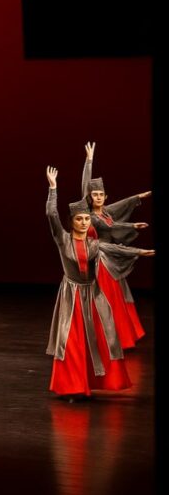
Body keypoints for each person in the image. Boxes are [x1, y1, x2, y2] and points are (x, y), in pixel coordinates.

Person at [44, 166, 153, 400]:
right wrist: (53, 189)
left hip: (93, 295)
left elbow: (113, 247)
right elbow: (52, 215)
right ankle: (72, 387)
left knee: (101, 339)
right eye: (79, 219)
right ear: (72, 222)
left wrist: (140, 252)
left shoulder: (94, 244)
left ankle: (95, 381)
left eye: (86, 219)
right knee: (71, 340)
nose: (84, 222)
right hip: (72, 295)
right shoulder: (63, 239)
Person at [80, 142, 152, 348]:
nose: (98, 197)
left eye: (101, 195)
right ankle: (104, 338)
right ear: (90, 198)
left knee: (118, 294)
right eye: (94, 195)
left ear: (105, 197)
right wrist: (89, 161)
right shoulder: (90, 215)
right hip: (100, 258)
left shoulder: (106, 211)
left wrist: (137, 198)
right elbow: (109, 225)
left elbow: (121, 206)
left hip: (112, 257)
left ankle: (123, 336)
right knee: (106, 296)